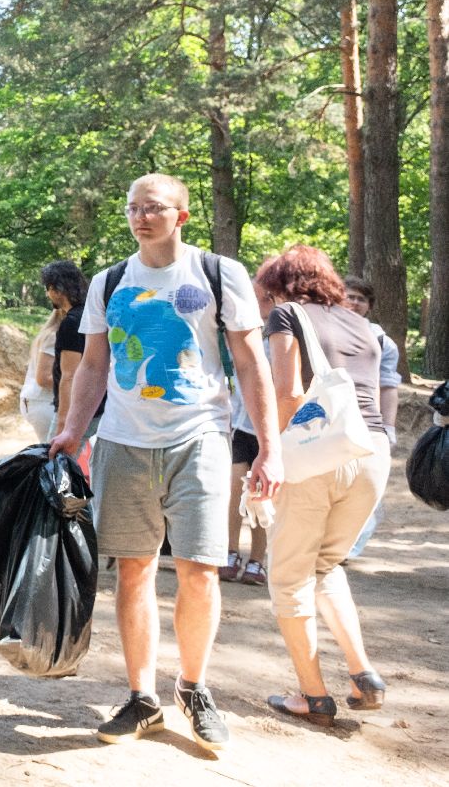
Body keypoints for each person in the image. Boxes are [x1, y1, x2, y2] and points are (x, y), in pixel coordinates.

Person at [48, 173, 281, 755]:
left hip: (199, 436)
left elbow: (252, 365)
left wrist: (270, 447)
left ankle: (195, 689)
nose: (140, 217)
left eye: (153, 208)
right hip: (124, 442)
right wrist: (73, 429)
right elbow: (94, 365)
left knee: (201, 569)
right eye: (133, 208)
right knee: (134, 571)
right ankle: (142, 697)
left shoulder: (218, 274)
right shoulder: (111, 280)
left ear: (181, 215)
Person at [258, 247, 390, 725]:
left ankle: (312, 695)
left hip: (318, 452)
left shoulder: (286, 315)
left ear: (281, 284)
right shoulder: (362, 324)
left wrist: (269, 453)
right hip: (372, 451)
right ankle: (363, 672)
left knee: (290, 575)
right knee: (327, 565)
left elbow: (289, 392)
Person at [341, 274, 401, 559]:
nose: (353, 302)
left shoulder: (382, 341)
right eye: (348, 295)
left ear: (369, 306)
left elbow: (389, 386)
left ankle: (349, 547)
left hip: (367, 423)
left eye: (360, 298)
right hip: (329, 421)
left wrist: (388, 427)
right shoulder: (319, 329)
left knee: (366, 486)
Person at [221, 279, 274, 586]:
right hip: (239, 422)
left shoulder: (283, 328)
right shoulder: (239, 327)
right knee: (233, 492)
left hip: (269, 427)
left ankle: (257, 560)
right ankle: (229, 552)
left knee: (261, 495)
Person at [42, 261, 98, 475]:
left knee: (56, 473)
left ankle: (70, 510)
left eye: (48, 288)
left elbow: (69, 376)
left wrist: (64, 424)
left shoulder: (71, 322)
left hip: (77, 411)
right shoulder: (92, 315)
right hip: (99, 407)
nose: (48, 294)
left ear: (57, 290)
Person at [20, 285, 64, 443]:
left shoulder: (53, 332)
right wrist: (75, 382)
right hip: (42, 402)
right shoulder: (54, 335)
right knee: (52, 457)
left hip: (41, 401)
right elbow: (43, 378)